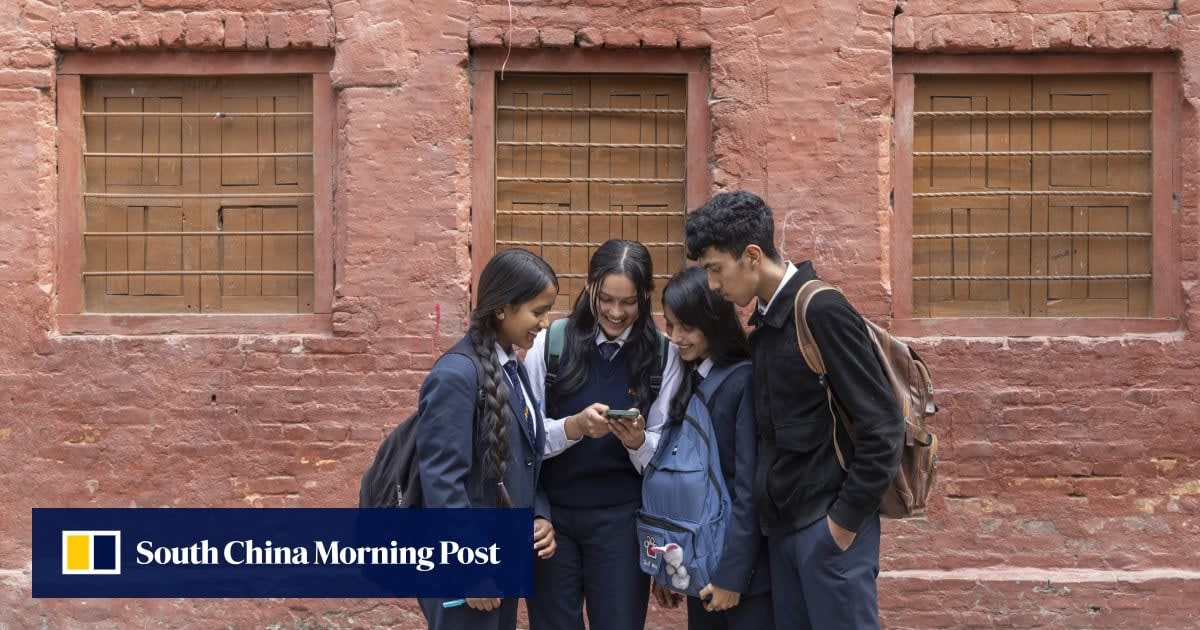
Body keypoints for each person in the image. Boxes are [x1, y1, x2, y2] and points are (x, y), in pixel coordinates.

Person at [684, 191, 904, 630]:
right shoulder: (765, 322)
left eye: (715, 269)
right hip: (784, 533)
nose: (712, 285)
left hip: (828, 529)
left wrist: (841, 524)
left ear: (750, 256)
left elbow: (883, 427)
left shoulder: (820, 309)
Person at [524, 239, 683, 630]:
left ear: (646, 297)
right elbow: (523, 438)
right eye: (606, 298)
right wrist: (573, 428)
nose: (615, 312)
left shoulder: (665, 356)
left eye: (628, 302)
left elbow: (671, 455)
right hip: (551, 521)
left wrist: (637, 442)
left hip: (623, 524)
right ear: (590, 286)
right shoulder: (550, 345)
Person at [415, 248, 560, 630]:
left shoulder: (511, 368)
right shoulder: (456, 376)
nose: (545, 323)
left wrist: (538, 514)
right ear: (502, 309)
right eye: (538, 311)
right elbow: (442, 483)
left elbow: (523, 457)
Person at [654, 266, 774, 630]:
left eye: (686, 327)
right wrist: (670, 568)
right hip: (700, 567)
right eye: (670, 326)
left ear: (713, 322)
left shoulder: (741, 381)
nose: (675, 338)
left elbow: (748, 489)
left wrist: (733, 577)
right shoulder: (691, 378)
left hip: (739, 580)